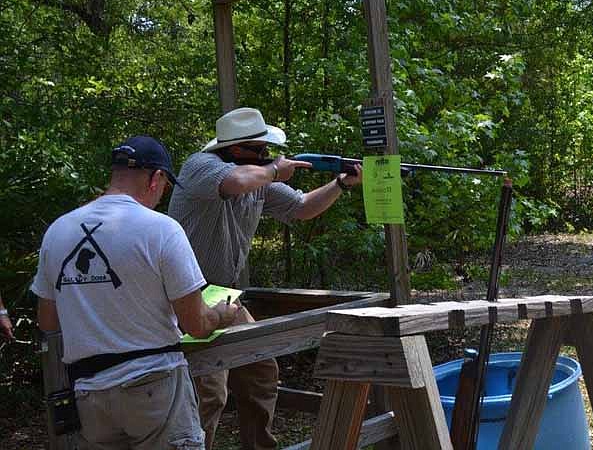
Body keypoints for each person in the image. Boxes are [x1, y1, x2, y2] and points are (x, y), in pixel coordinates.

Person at [168, 107, 361, 450]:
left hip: (224, 295)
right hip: (188, 295)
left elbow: (301, 207)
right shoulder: (200, 167)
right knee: (209, 391)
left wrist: (340, 183)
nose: (267, 156)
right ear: (238, 150)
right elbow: (237, 181)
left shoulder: (259, 180)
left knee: (261, 372)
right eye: (261, 151)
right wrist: (273, 170)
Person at [31, 135, 240, 450]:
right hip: (154, 386)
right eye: (165, 185)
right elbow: (195, 324)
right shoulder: (161, 229)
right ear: (156, 178)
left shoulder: (59, 231)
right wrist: (222, 315)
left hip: (89, 393)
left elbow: (47, 322)